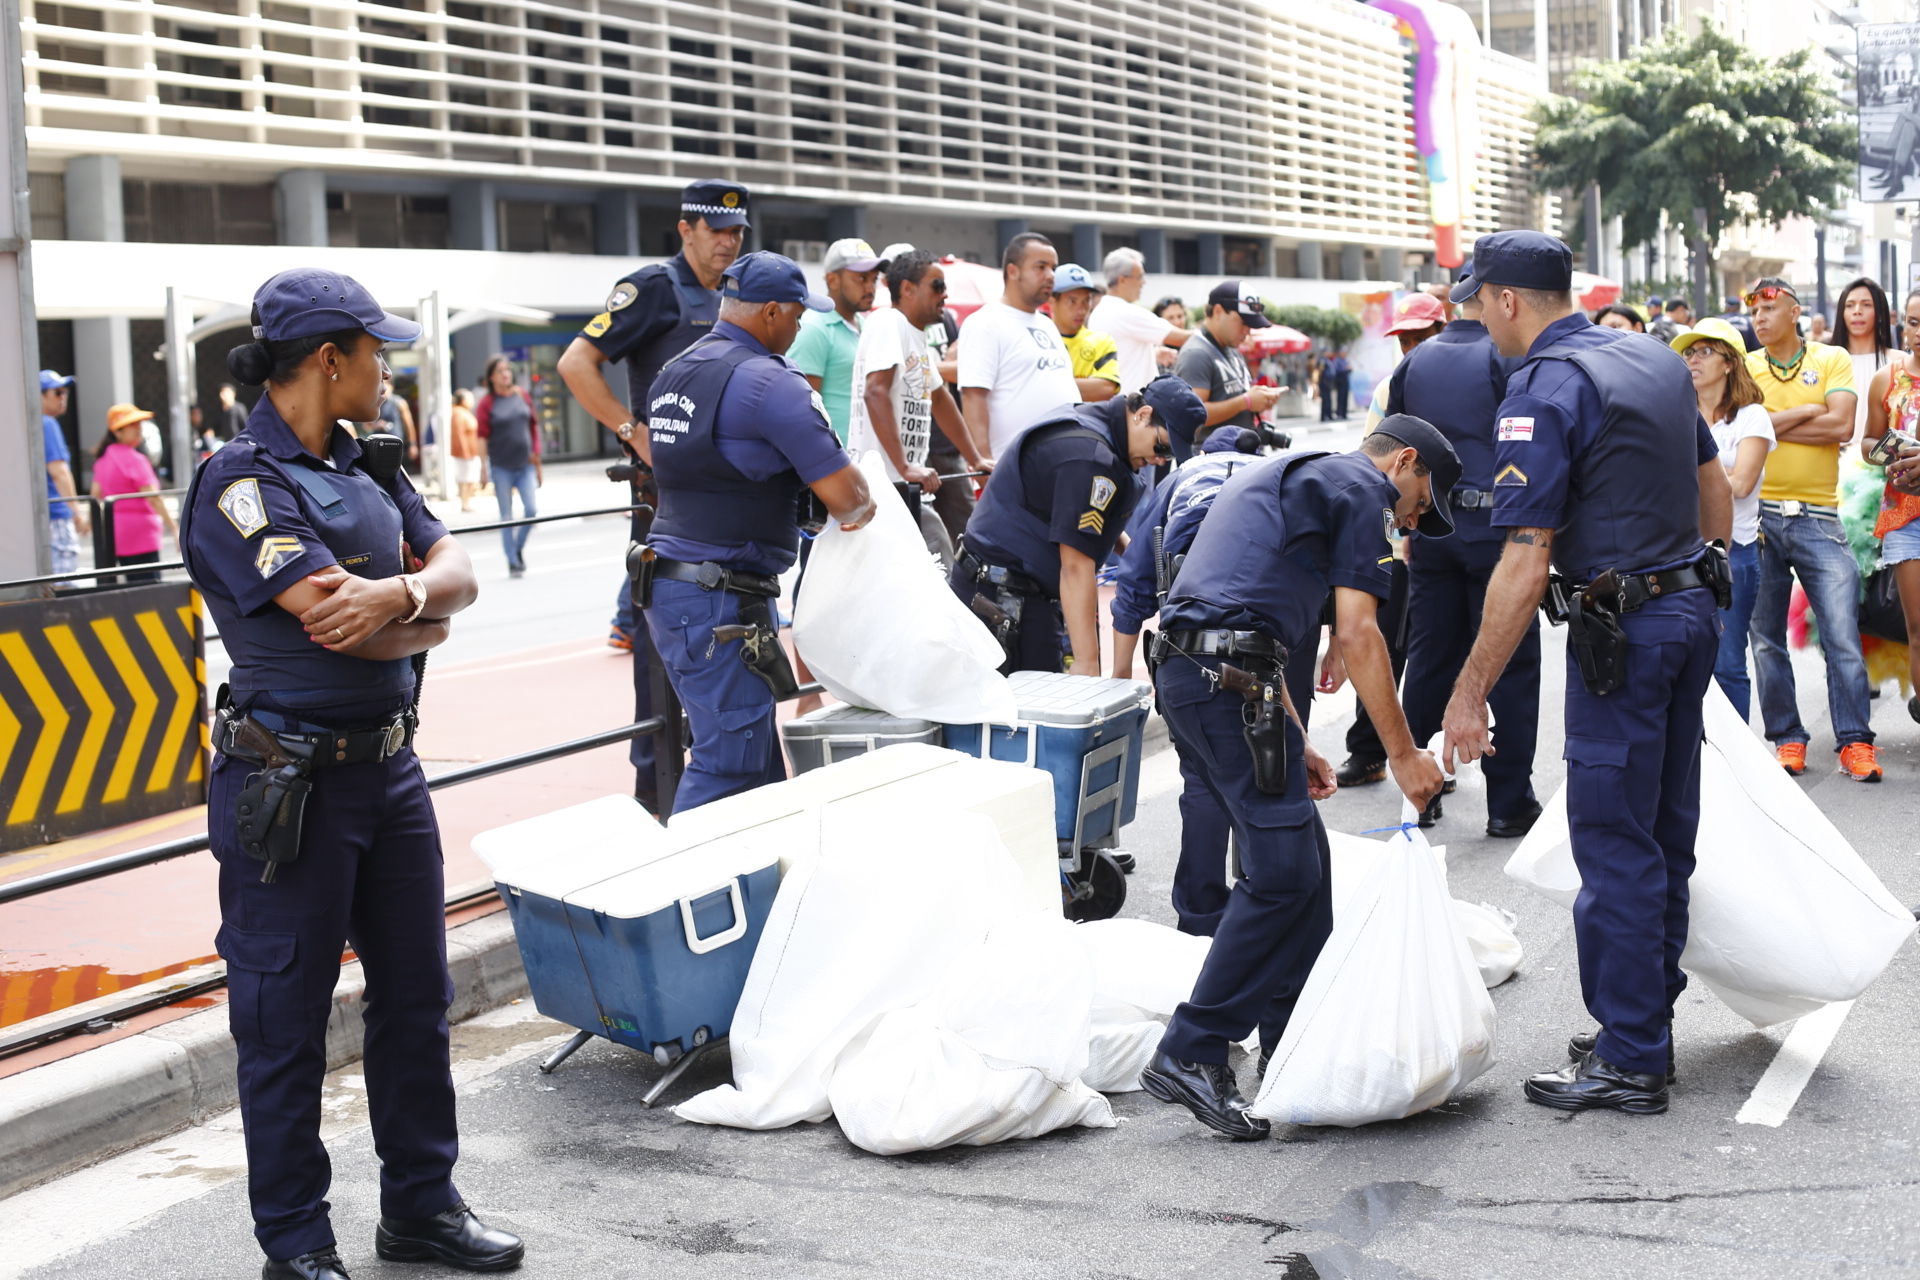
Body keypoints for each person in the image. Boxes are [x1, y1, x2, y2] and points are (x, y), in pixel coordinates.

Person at [177, 267, 510, 1279]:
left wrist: (409, 594)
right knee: (282, 1021)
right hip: (292, 785)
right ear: (330, 359)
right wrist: (418, 611)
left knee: (416, 999)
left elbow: (455, 571)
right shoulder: (241, 481)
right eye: (378, 349)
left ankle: (421, 1206)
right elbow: (338, 627)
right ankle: (298, 1240)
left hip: (389, 775)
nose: (388, 366)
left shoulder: (367, 458)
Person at [1438, 230, 1731, 1117]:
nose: (1481, 323)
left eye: (1479, 304)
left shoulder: (1546, 384)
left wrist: (1468, 692)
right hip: (1686, 612)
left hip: (1627, 631)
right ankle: (1645, 1026)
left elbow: (1527, 559)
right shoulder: (1651, 358)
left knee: (1613, 843)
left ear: (1508, 300)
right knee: (1664, 833)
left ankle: (1631, 1059)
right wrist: (1700, 584)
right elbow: (1713, 489)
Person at [1138, 419, 1454, 1140]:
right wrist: (1403, 754)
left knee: (1304, 871)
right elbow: (1358, 632)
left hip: (1211, 678)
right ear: (1402, 463)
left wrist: (1297, 735)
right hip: (1223, 683)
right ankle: (1192, 1049)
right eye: (1419, 504)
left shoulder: (1305, 477)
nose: (1411, 521)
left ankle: (1292, 1044)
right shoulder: (1358, 487)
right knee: (1280, 873)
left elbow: (1245, 611)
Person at [636, 252, 877, 812]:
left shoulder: (676, 370)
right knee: (730, 766)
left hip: (677, 588)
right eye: (796, 317)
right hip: (720, 598)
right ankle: (680, 892)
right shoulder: (772, 384)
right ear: (772, 312)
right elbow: (850, 501)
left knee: (757, 764)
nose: (799, 329)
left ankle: (753, 892)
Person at [557, 179, 750, 810]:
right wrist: (632, 434)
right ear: (685, 230)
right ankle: (657, 790)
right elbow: (576, 364)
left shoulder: (737, 290)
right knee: (662, 646)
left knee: (732, 632)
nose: (729, 242)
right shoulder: (654, 289)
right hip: (666, 501)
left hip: (729, 496)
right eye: (717, 230)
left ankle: (724, 778)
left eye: (737, 232)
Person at [1109, 425, 1274, 936]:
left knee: (1204, 777)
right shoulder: (1273, 477)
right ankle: (1266, 905)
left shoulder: (1180, 480)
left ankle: (1202, 919)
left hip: (1188, 648)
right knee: (1273, 775)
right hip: (1267, 639)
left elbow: (1135, 578)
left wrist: (1120, 680)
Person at [950, 375, 1199, 676]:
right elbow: (1075, 566)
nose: (1161, 460)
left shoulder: (1099, 426)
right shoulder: (1090, 457)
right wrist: (1087, 666)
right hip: (1001, 594)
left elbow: (1084, 520)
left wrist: (1134, 553)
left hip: (1014, 586)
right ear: (1143, 415)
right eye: (1163, 447)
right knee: (1031, 711)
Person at [1743, 277, 1877, 780]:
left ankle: (1855, 742)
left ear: (1794, 311)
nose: (1759, 315)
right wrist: (1806, 411)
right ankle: (1787, 736)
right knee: (1765, 639)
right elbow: (1740, 428)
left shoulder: (1831, 358)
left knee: (1842, 633)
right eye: (1752, 307)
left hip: (1819, 516)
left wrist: (1770, 422)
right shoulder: (1747, 366)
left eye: (1769, 306)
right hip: (1760, 518)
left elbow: (1843, 427)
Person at [1674, 319, 1774, 721]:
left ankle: (1735, 768)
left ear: (1730, 362)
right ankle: (1696, 759)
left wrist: (1688, 484)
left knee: (1728, 664)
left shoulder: (1751, 417)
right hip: (1679, 555)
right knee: (1684, 664)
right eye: (1688, 353)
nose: (1693, 360)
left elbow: (1744, 484)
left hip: (1735, 554)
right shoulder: (1675, 413)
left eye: (1704, 351)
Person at [848, 248, 991, 521]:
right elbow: (875, 392)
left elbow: (939, 400)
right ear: (907, 289)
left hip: (903, 485)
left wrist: (975, 459)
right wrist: (905, 467)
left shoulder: (914, 334)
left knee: (943, 553)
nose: (945, 294)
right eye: (937, 286)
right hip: (883, 487)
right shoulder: (890, 320)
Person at [958, 231, 1080, 458]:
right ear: (1013, 271)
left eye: (1053, 267)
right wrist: (984, 463)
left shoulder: (1047, 324)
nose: (1051, 275)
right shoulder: (985, 323)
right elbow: (973, 397)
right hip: (1015, 465)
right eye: (1041, 267)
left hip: (1064, 459)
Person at [1861, 287, 1920, 719]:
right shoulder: (1888, 378)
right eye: (1914, 322)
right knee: (1917, 630)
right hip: (1905, 514)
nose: (1919, 332)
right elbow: (1866, 440)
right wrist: (1887, 452)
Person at [1172, 281, 1279, 461]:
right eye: (1243, 322)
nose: (1247, 330)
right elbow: (1193, 418)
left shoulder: (1229, 347)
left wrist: (1259, 399)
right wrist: (1246, 402)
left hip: (1235, 458)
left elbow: (1231, 395)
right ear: (1218, 312)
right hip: (1213, 463)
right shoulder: (1197, 353)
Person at [790, 237, 883, 443]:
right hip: (834, 462)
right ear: (833, 280)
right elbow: (803, 412)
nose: (870, 287)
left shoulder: (864, 324)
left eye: (874, 279)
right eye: (861, 278)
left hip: (864, 458)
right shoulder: (814, 328)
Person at [91, 403, 178, 584]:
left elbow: (95, 495)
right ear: (117, 431)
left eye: (139, 423)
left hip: (117, 535)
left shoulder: (103, 459)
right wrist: (174, 527)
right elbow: (153, 498)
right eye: (132, 424)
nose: (139, 428)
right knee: (151, 590)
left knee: (133, 591)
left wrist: (86, 523)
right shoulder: (134, 459)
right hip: (141, 536)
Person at [1089, 248, 1191, 393]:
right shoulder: (1127, 312)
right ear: (1123, 280)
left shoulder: (1099, 312)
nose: (1144, 282)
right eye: (1140, 277)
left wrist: (1153, 353)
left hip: (1114, 403)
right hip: (1134, 406)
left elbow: (1119, 354)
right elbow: (1182, 338)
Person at [474, 355, 541, 578]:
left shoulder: (522, 395)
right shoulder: (487, 403)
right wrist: (483, 468)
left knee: (531, 511)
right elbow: (482, 437)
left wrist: (538, 461)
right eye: (500, 371)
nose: (506, 374)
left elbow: (533, 427)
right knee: (506, 517)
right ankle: (513, 561)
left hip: (525, 465)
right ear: (492, 377)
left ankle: (517, 547)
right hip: (501, 467)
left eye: (508, 370)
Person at [1835, 277, 1894, 445]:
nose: (1857, 311)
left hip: (1885, 462)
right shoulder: (1825, 360)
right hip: (1832, 461)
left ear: (1881, 313)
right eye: (1850, 305)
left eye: (1866, 305)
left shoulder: (1898, 363)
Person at [1051, 263, 1120, 403]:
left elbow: (1106, 389)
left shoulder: (1102, 341)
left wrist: (1047, 385)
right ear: (1052, 301)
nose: (1081, 309)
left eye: (1086, 301)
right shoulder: (1035, 339)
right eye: (1072, 301)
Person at [41, 369, 87, 576]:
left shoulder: (31, 425)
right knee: (64, 582)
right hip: (57, 514)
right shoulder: (47, 424)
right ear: (40, 396)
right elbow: (59, 472)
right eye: (57, 392)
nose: (63, 397)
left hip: (42, 515)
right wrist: (76, 512)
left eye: (65, 392)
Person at [448, 388, 481, 513]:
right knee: (465, 477)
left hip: (472, 450)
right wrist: (464, 452)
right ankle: (464, 502)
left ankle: (467, 501)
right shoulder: (458, 413)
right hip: (465, 452)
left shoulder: (464, 412)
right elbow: (458, 434)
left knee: (471, 477)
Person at [1318, 348, 1351, 421]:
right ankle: (1324, 416)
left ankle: (1329, 415)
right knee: (1325, 400)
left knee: (1329, 400)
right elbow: (1320, 372)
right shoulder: (1322, 361)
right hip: (1325, 382)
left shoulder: (1328, 360)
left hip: (1329, 382)